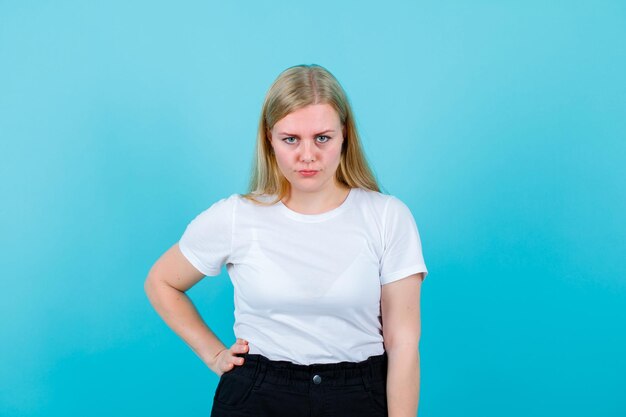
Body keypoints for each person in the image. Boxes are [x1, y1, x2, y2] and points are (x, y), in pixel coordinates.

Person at [144, 64, 428, 417]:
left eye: (322, 138)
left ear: (345, 136)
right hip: (258, 397)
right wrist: (213, 354)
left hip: (358, 396)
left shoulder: (387, 216)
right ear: (270, 139)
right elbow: (162, 281)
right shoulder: (236, 216)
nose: (307, 155)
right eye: (291, 139)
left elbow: (402, 345)